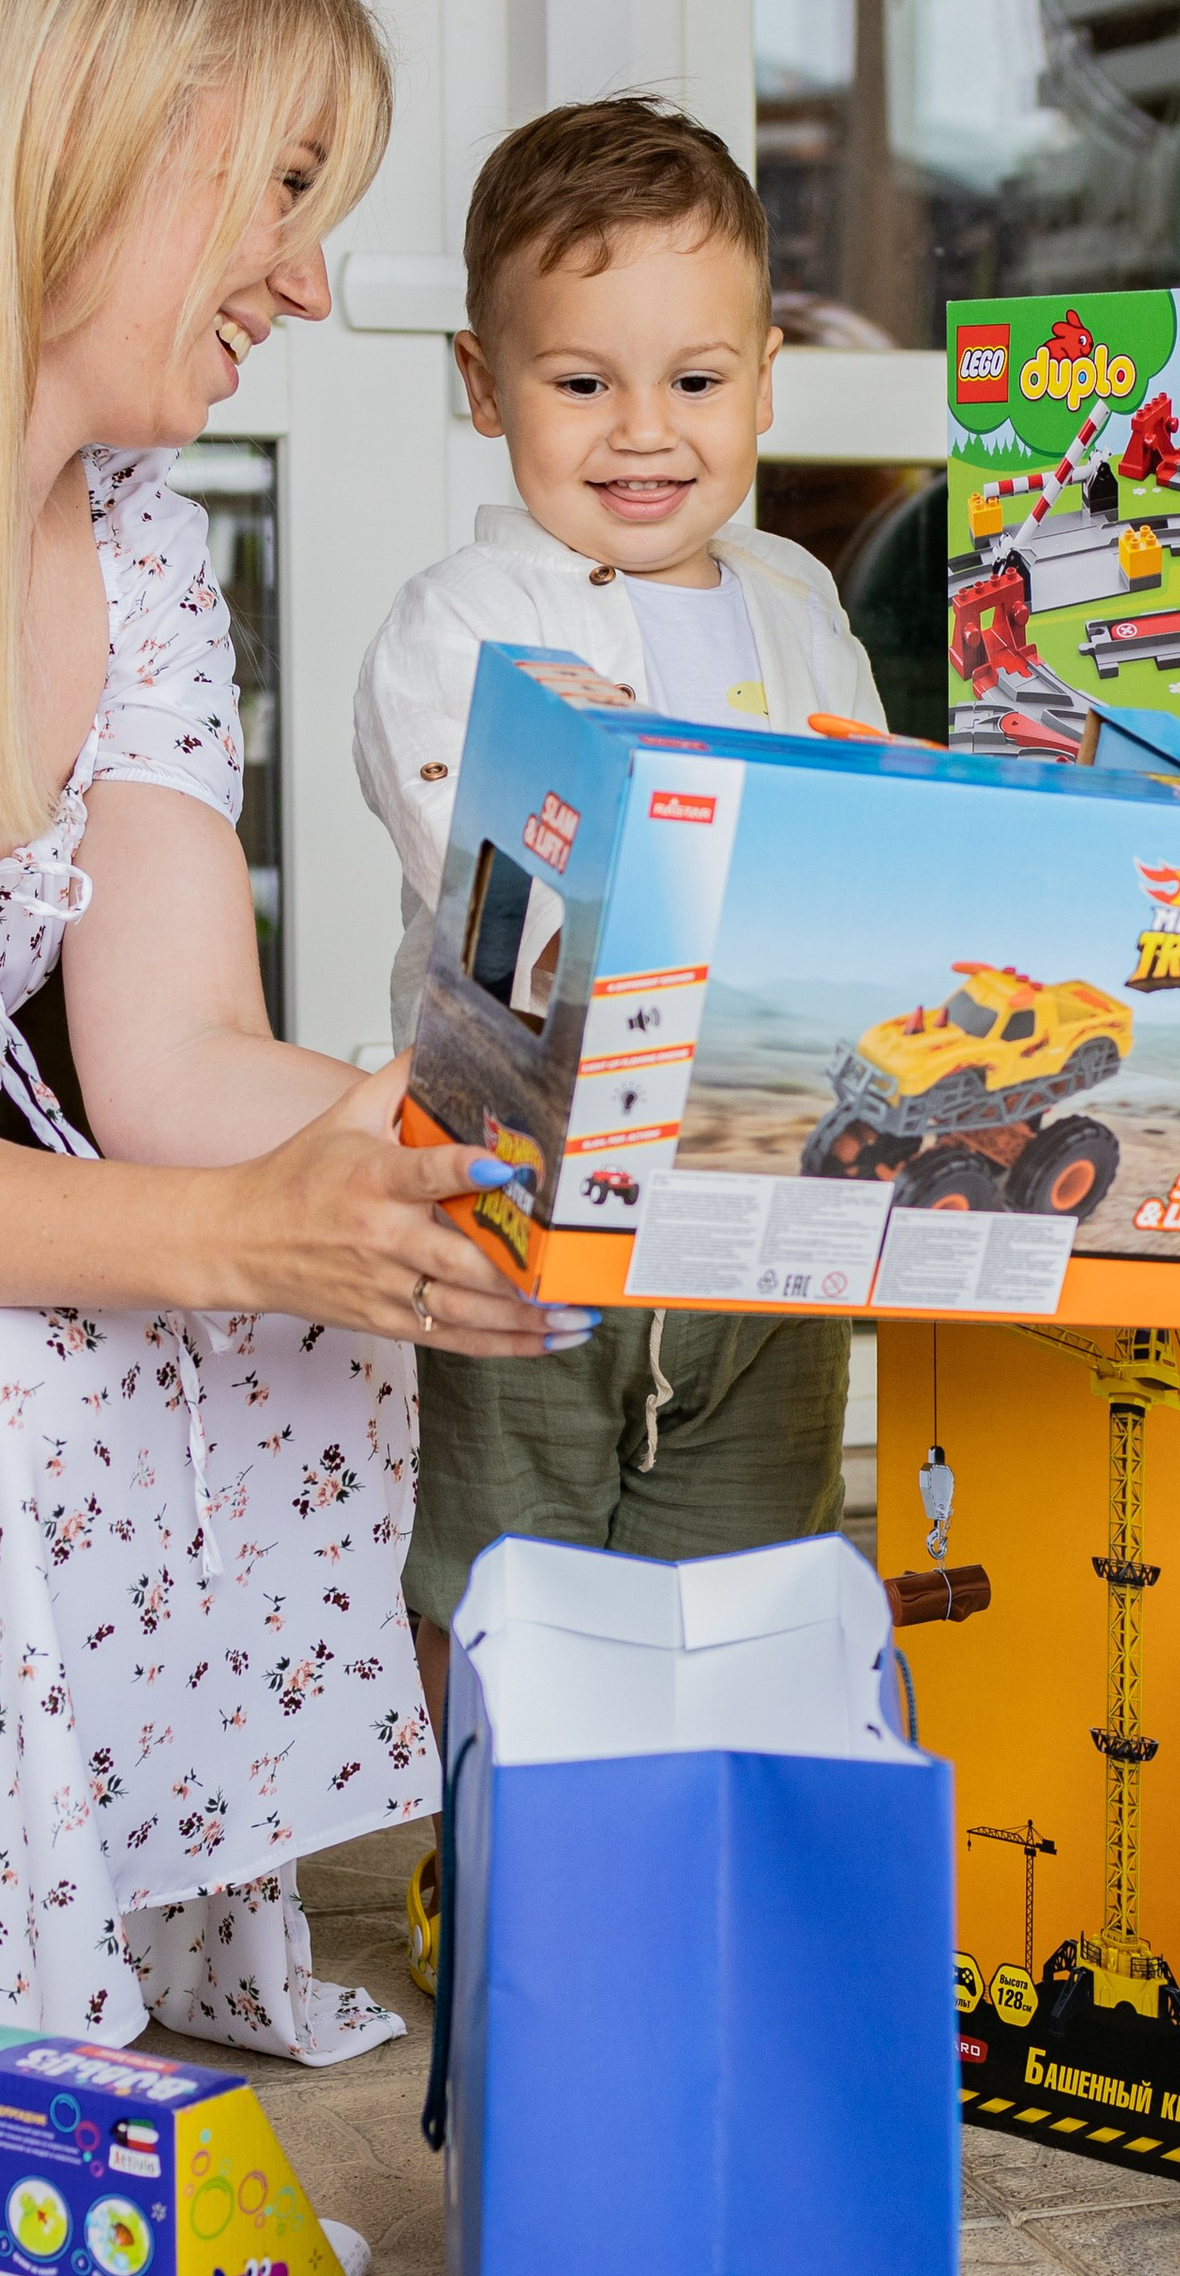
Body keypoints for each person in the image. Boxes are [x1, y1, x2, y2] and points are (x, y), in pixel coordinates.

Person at [0, 0, 592, 2253]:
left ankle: (75, 1934)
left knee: (323, 1301)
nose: (311, 274)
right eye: (285, 185)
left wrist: (528, 1139)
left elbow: (178, 1052)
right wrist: (223, 1230)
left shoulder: (135, 531)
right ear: (77, 120)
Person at [354, 98, 886, 1751]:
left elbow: (864, 847)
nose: (642, 433)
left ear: (767, 379)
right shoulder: (465, 630)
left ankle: (683, 1829)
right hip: (533, 1196)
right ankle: (497, 1851)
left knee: (743, 1550)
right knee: (506, 1556)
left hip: (753, 1208)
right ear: (480, 383)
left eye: (697, 383)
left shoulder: (796, 600)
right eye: (580, 383)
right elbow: (518, 892)